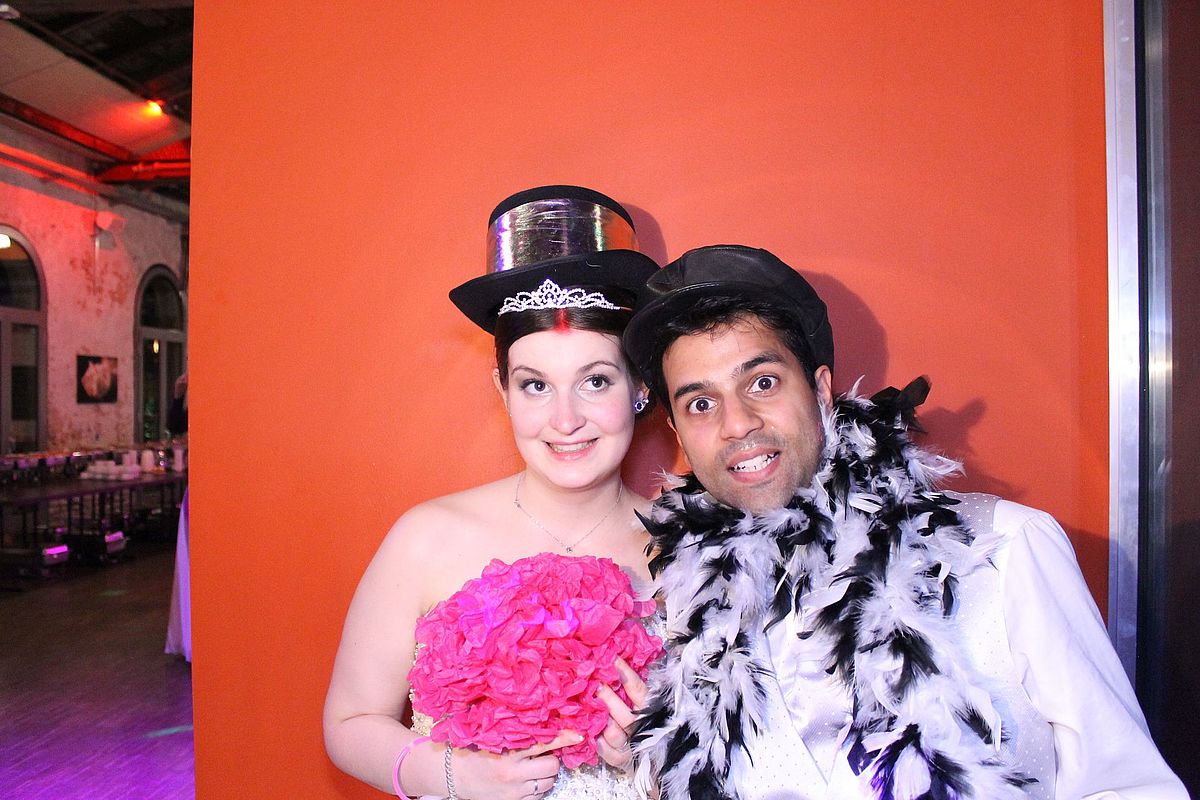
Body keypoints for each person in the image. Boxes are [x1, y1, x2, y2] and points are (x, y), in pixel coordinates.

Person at [621, 245, 1187, 800]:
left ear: (820, 390)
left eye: (762, 382)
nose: (737, 423)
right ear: (678, 434)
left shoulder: (1007, 547)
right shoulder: (685, 616)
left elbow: (1133, 788)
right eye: (701, 403)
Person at [324, 186, 659, 800]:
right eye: (535, 385)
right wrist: (454, 775)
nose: (565, 420)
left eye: (595, 381)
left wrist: (662, 752)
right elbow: (349, 724)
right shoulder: (426, 537)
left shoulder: (694, 549)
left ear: (639, 387)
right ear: (502, 389)